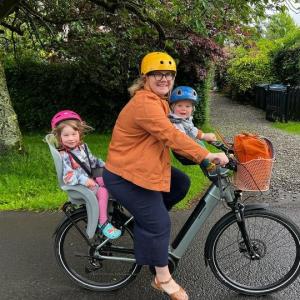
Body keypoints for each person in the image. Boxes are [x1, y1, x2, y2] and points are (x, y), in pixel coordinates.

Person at [103, 52, 228, 300]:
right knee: (160, 223)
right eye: (158, 74)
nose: (165, 78)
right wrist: (205, 155)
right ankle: (162, 279)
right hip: (125, 175)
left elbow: (177, 131)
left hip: (143, 169)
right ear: (145, 77)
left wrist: (203, 142)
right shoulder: (145, 104)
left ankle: (147, 227)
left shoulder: (157, 100)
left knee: (181, 183)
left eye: (169, 74)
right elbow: (170, 135)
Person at [51, 110, 121, 239]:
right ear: (59, 137)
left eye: (74, 133)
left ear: (80, 133)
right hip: (81, 185)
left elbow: (93, 161)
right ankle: (103, 222)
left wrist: (107, 166)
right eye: (66, 135)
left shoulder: (83, 147)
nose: (71, 138)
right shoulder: (65, 155)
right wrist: (85, 180)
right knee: (102, 192)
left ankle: (119, 209)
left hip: (91, 177)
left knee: (113, 179)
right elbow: (68, 176)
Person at [169, 85, 217, 171]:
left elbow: (191, 129)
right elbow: (180, 139)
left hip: (189, 145)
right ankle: (210, 166)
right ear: (173, 107)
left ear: (192, 109)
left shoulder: (185, 119)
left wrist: (203, 135)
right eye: (180, 106)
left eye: (187, 106)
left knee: (200, 144)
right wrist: (202, 136)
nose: (184, 109)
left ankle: (210, 166)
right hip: (182, 151)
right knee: (200, 149)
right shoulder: (176, 122)